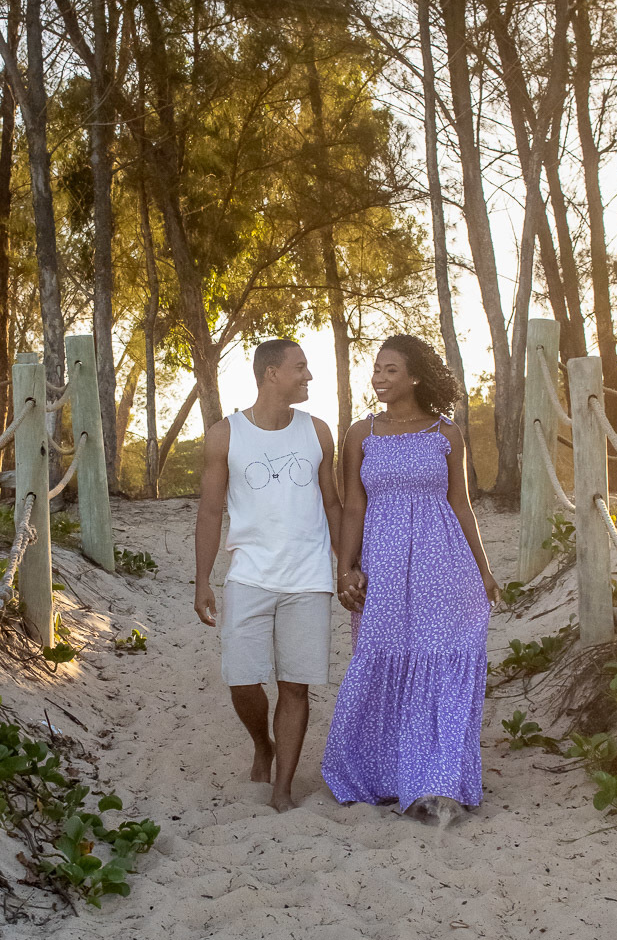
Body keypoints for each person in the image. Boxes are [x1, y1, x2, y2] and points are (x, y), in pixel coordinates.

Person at [321, 334, 500, 820]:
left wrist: (483, 570)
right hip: (382, 567)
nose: (379, 378)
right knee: (382, 657)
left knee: (439, 663)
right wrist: (345, 568)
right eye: (376, 369)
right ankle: (383, 776)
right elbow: (353, 506)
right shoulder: (360, 434)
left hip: (443, 566)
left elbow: (460, 505)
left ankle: (435, 782)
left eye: (391, 370)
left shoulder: (446, 433)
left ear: (416, 377)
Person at [194, 339, 341, 812]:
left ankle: (283, 788)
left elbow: (332, 503)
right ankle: (263, 743)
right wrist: (202, 580)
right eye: (301, 367)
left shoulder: (318, 432)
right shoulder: (225, 435)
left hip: (309, 577)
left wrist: (347, 565)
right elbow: (210, 511)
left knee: (295, 684)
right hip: (249, 575)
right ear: (271, 373)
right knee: (242, 680)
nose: (308, 376)